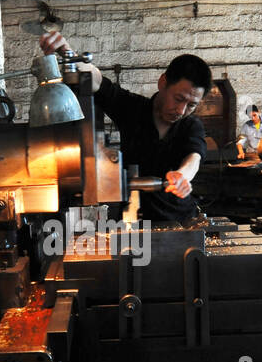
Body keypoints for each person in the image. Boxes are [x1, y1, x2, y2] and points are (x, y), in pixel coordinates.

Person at [39, 32, 210, 223]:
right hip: (133, 219)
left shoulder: (191, 125)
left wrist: (182, 176)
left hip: (181, 221)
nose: (181, 110)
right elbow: (96, 80)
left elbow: (194, 157)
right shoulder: (133, 109)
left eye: (192, 105)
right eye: (179, 99)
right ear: (163, 82)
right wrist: (68, 53)